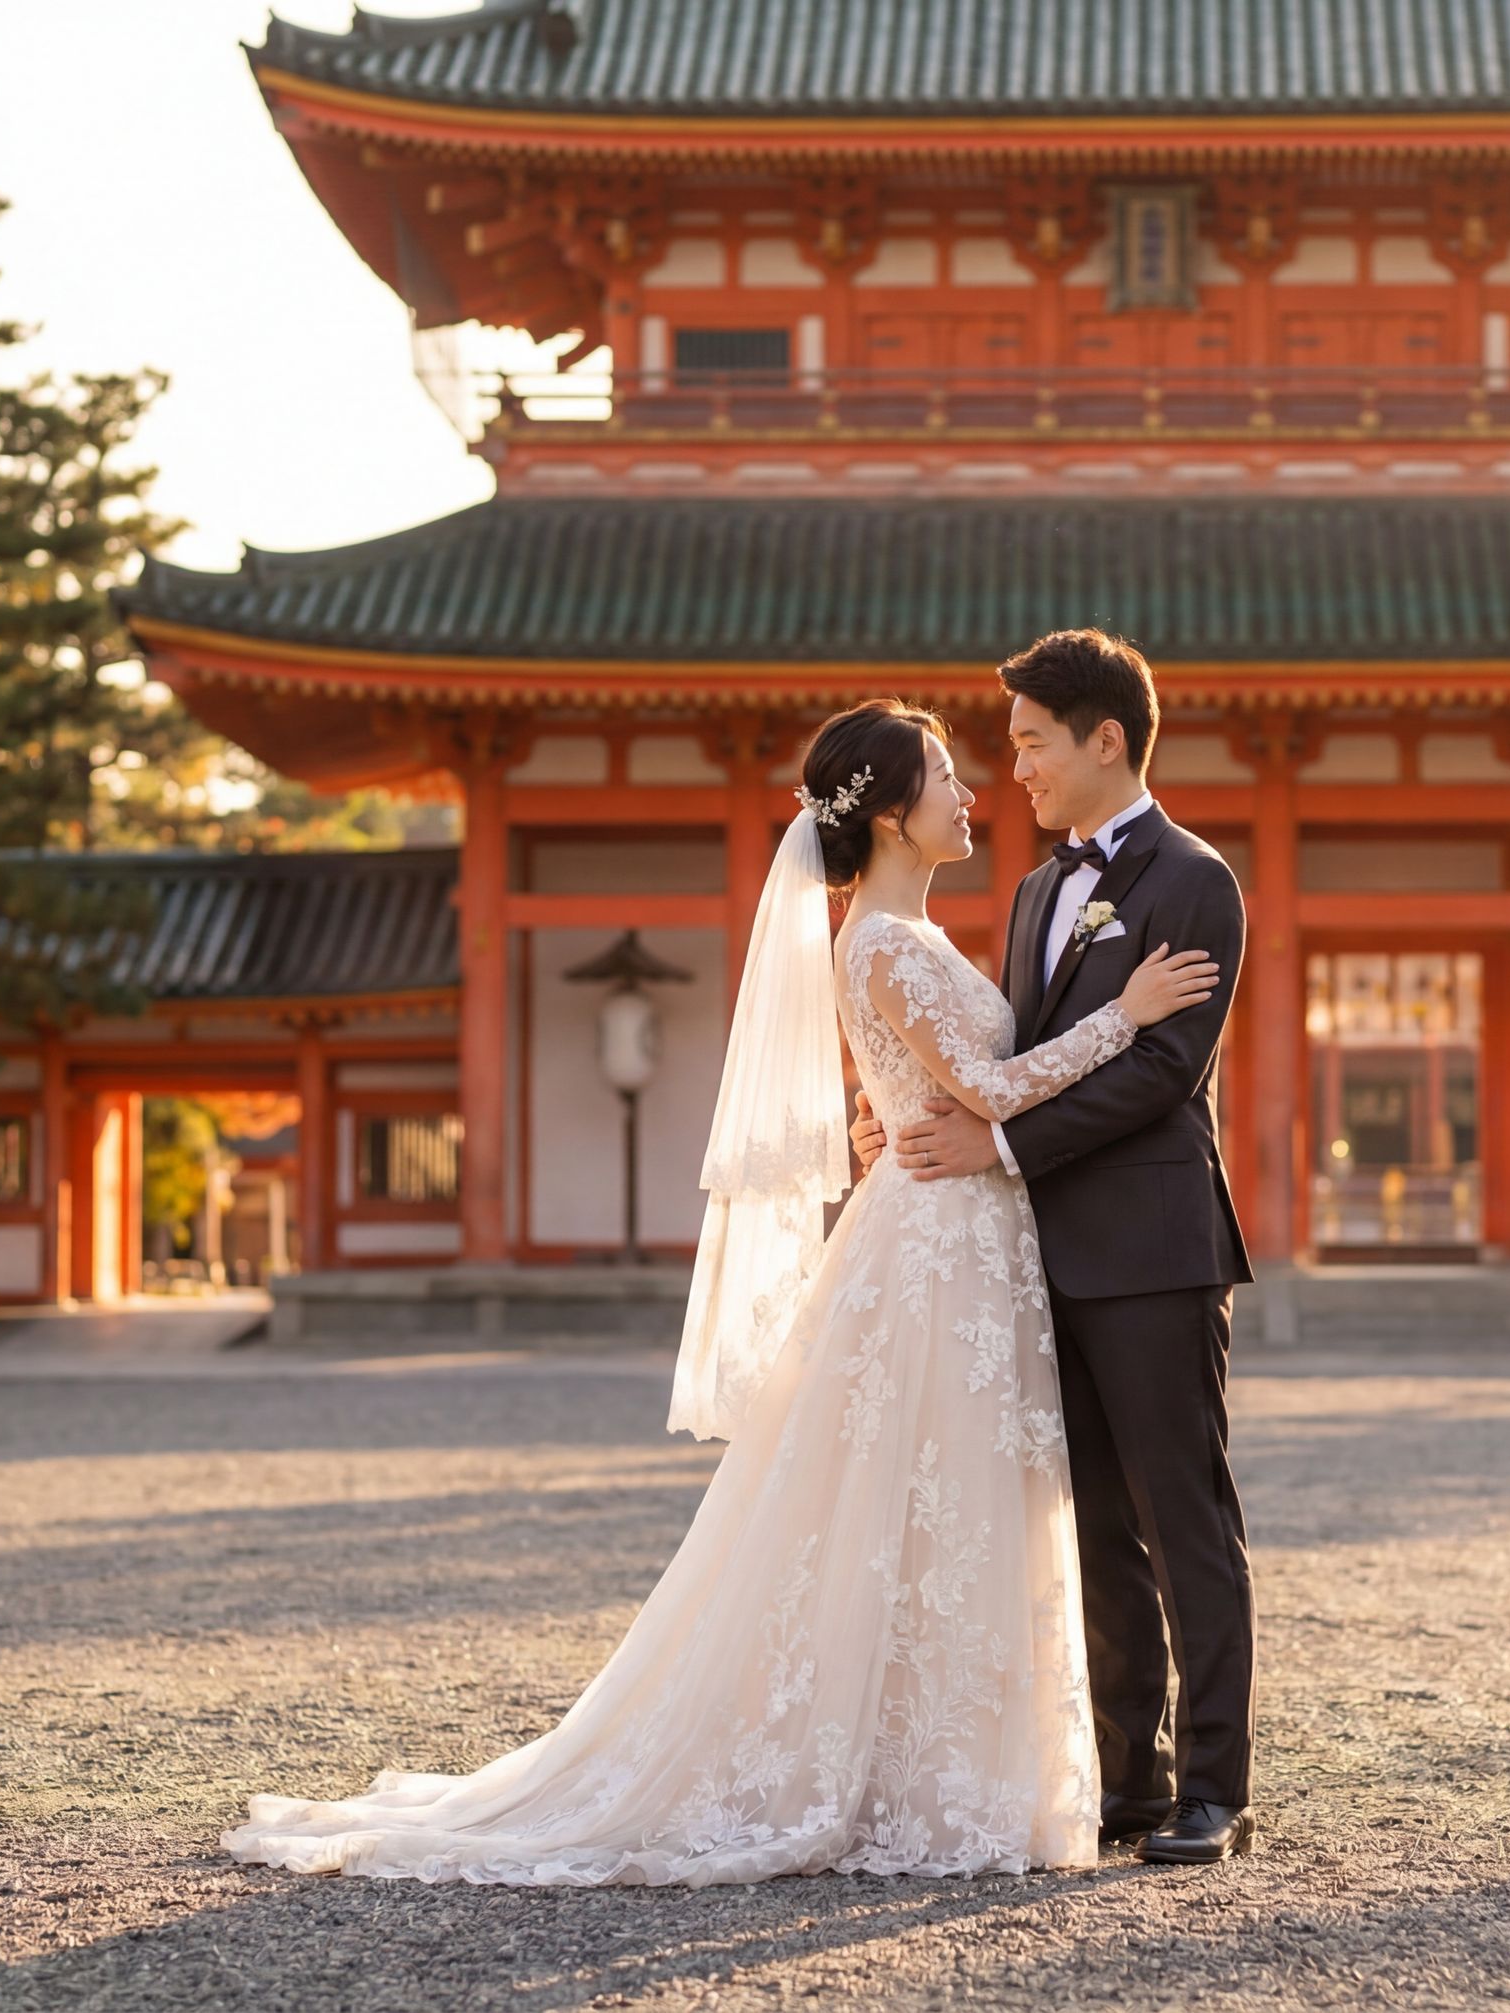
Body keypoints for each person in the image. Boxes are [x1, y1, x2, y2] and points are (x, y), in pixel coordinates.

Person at [224, 698, 1220, 1886]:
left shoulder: (908, 932)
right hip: (938, 1244)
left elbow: (944, 1088)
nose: (977, 791)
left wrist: (894, 1112)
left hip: (968, 1236)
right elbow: (997, 1092)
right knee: (934, 1495)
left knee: (954, 1502)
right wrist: (1129, 1013)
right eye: (950, 775)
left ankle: (954, 1761)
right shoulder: (885, 944)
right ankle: (925, 1768)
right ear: (894, 813)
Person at [855, 629, 1259, 1866]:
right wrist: (924, 1112)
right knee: (1090, 1532)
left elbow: (1159, 1071)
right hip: (1029, 1263)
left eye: (1032, 741)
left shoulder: (1195, 882)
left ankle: (1215, 1790)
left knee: (1180, 1513)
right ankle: (1128, 1781)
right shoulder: (1034, 889)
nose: (1013, 766)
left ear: (1107, 740)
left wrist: (1000, 1151)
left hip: (1150, 1247)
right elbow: (1008, 1066)